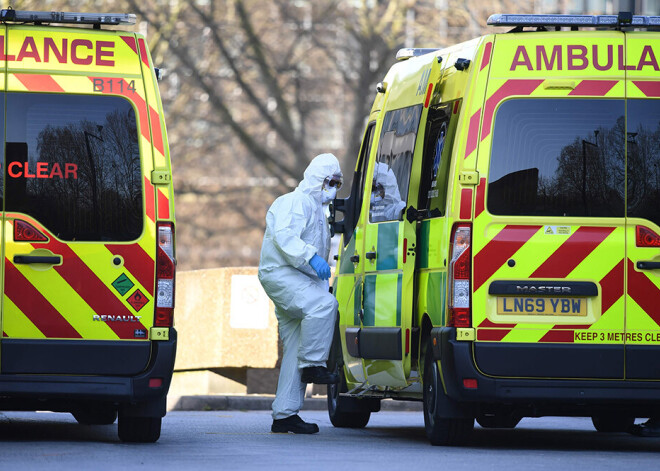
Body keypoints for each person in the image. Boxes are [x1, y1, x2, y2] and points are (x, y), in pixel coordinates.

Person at [258, 153, 343, 434]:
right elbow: (285, 236)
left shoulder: (318, 211)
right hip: (282, 274)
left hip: (296, 278)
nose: (332, 187)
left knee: (295, 347)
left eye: (337, 183)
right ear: (317, 178)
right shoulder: (296, 202)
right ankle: (313, 365)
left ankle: (284, 415)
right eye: (329, 181)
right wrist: (311, 257)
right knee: (324, 306)